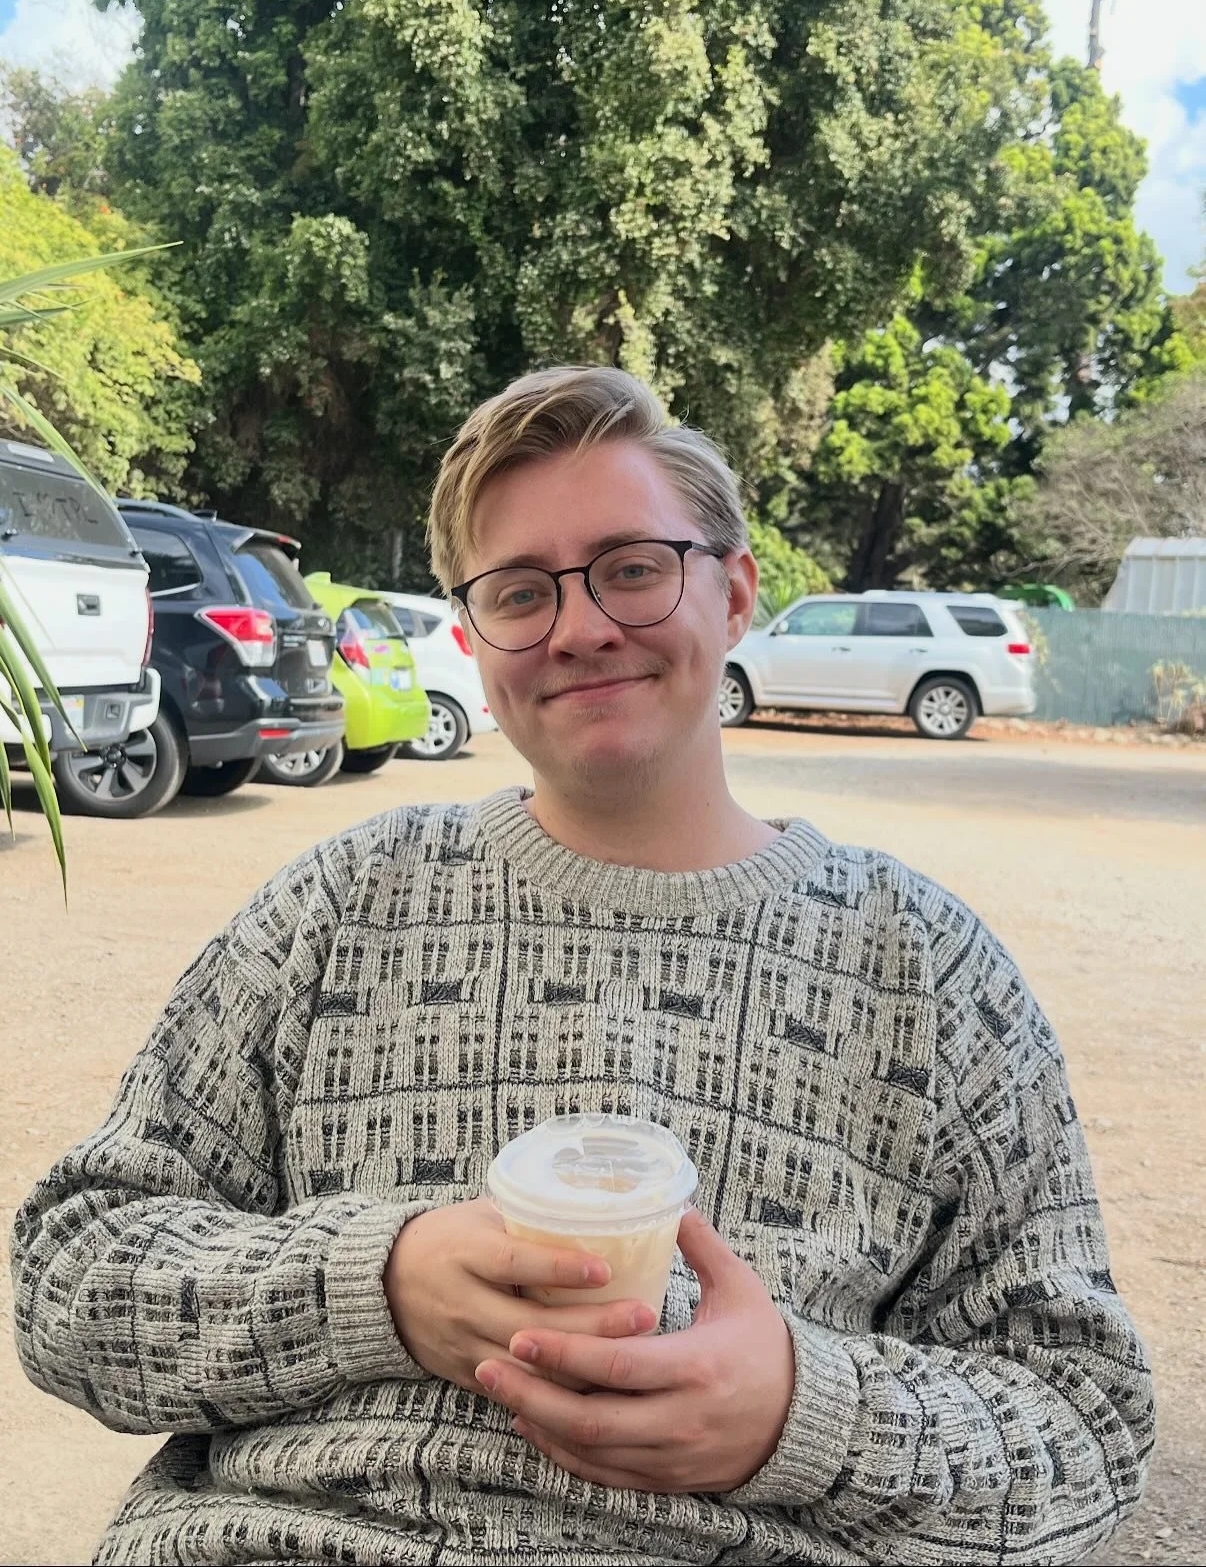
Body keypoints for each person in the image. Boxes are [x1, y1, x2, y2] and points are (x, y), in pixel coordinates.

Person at [12, 366, 1152, 1567]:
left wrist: (801, 1416)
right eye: (520, 592)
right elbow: (70, 1277)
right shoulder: (340, 904)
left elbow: (1088, 1426)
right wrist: (371, 1286)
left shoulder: (924, 966)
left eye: (633, 567)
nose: (580, 628)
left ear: (735, 593)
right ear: (472, 639)